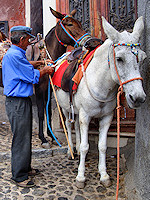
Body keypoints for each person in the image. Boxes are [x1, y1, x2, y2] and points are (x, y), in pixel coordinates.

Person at [2, 26, 54, 188]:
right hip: (17, 102)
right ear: (22, 39)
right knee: (21, 138)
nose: (29, 43)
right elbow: (33, 77)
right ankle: (19, 176)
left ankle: (25, 167)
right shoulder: (15, 55)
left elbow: (24, 65)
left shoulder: (15, 53)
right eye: (28, 39)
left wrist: (36, 62)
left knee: (25, 136)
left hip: (19, 101)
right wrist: (45, 70)